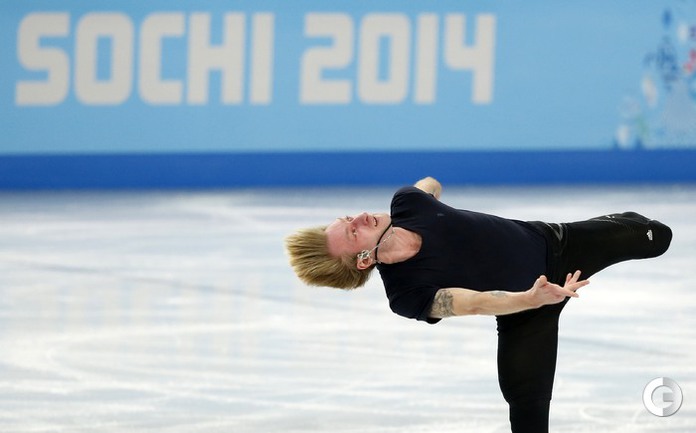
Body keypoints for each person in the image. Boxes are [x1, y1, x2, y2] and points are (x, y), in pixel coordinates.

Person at [285, 177, 672, 433]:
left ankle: (619, 222)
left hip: (561, 244)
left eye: (348, 218)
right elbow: (473, 304)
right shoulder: (406, 293)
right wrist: (531, 299)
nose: (359, 217)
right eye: (353, 231)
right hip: (521, 311)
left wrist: (428, 190)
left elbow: (428, 184)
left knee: (658, 237)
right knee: (527, 408)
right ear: (363, 260)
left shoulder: (408, 203)